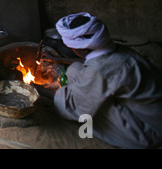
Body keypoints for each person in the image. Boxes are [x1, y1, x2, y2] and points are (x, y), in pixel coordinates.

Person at [38, 12, 162, 148]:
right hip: (146, 110)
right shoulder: (116, 50)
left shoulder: (99, 70)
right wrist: (58, 60)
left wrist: (39, 89)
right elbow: (90, 61)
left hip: (149, 130)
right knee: (74, 69)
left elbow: (74, 104)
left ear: (76, 47)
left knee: (80, 109)